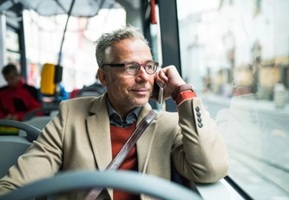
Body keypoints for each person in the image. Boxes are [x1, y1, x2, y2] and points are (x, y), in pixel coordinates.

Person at [0, 26, 229, 199]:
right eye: (130, 67)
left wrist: (182, 93)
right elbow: (14, 188)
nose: (143, 77)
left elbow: (211, 169)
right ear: (103, 77)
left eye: (149, 66)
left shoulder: (169, 125)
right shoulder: (71, 116)